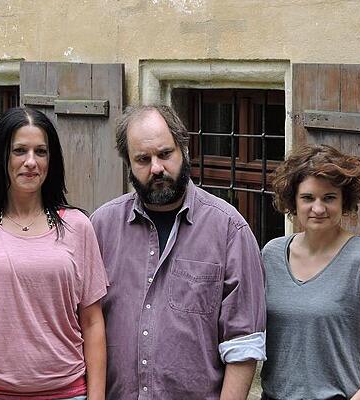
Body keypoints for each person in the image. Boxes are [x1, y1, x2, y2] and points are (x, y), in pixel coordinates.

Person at [90, 105, 266, 399]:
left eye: (165, 154)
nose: (156, 167)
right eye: (143, 159)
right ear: (128, 163)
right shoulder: (101, 227)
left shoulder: (229, 229)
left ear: (184, 149)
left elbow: (243, 345)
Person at [0, 107, 108, 400]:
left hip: (65, 393)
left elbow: (92, 322)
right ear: (2, 158)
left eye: (40, 152)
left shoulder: (78, 227)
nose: (31, 162)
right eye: (20, 151)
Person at [261, 144, 360, 400]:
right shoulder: (270, 254)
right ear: (293, 200)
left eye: (329, 197)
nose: (318, 208)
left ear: (343, 201)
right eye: (308, 198)